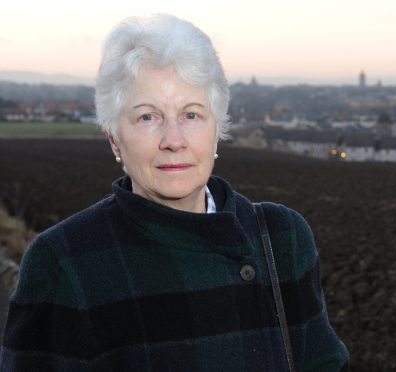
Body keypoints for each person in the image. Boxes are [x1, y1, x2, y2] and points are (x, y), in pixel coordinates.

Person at [0, 14, 349, 371]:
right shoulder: (65, 261)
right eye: (147, 117)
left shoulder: (282, 238)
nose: (174, 141)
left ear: (218, 128)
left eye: (192, 115)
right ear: (114, 138)